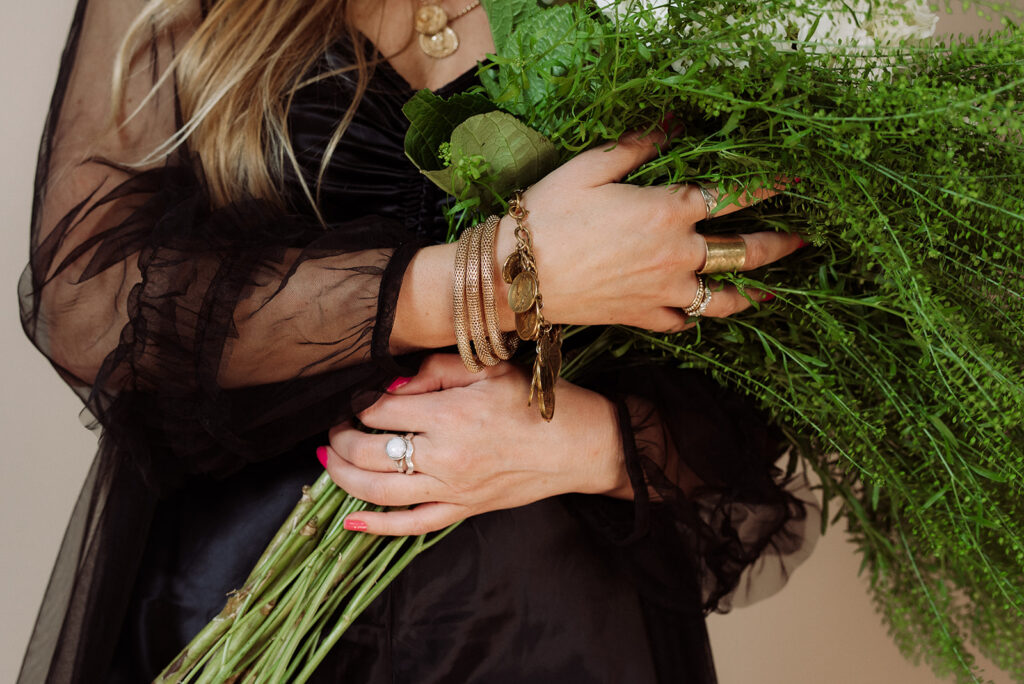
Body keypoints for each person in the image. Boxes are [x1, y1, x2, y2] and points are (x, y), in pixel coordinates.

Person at [19, 0, 818, 681]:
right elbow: (90, 305)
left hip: (551, 627)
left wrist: (592, 444)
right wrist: (494, 279)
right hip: (238, 589)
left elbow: (772, 376)